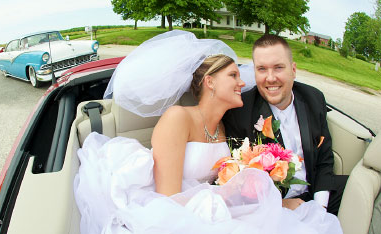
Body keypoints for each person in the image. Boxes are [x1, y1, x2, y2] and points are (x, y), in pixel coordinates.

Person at [74, 30, 342, 234]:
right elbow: (167, 199)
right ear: (210, 82)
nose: (243, 82)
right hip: (175, 212)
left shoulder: (227, 127)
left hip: (215, 206)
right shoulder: (178, 118)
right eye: (234, 76)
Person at [223, 34, 348, 216]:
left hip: (313, 192)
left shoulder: (314, 98)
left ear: (293, 70)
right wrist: (280, 204)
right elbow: (239, 184)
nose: (271, 78)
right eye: (262, 69)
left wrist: (320, 208)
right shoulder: (240, 112)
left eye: (278, 67)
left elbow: (324, 160)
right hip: (272, 206)